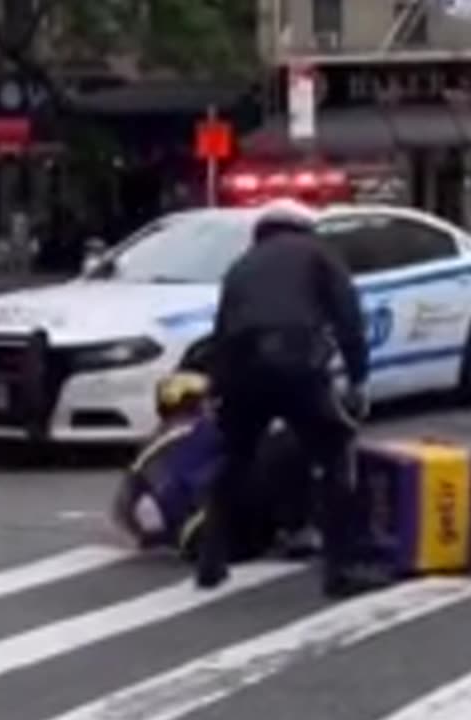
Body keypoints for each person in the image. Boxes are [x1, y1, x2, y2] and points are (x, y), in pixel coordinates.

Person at [197, 199, 383, 599]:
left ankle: (211, 559)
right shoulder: (319, 254)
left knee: (235, 459)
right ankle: (341, 568)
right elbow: (348, 316)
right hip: (297, 363)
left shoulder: (242, 265)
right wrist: (359, 378)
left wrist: (217, 387)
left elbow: (221, 332)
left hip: (243, 368)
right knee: (335, 453)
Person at [109, 372, 316, 562]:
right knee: (286, 445)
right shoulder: (203, 428)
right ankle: (298, 529)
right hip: (216, 527)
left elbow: (126, 513)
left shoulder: (153, 445)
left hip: (186, 536)